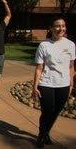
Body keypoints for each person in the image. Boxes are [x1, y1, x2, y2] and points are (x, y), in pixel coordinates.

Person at [32, 18, 75, 148]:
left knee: (56, 112)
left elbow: (71, 67)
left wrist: (71, 84)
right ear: (51, 28)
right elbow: (39, 68)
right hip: (46, 83)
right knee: (47, 111)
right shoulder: (44, 45)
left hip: (64, 84)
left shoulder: (71, 45)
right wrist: (35, 86)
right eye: (57, 26)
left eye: (63, 26)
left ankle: (46, 133)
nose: (61, 28)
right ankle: (42, 134)